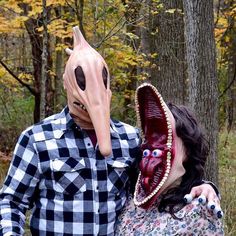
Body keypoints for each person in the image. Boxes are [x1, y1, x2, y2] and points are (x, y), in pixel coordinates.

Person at [0, 27, 221, 236]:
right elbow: (12, 201)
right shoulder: (37, 140)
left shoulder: (130, 139)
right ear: (67, 84)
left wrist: (203, 187)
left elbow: (157, 186)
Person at [115, 83, 224, 235]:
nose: (152, 150)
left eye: (163, 139)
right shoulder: (133, 196)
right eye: (148, 140)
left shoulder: (199, 211)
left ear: (187, 150)